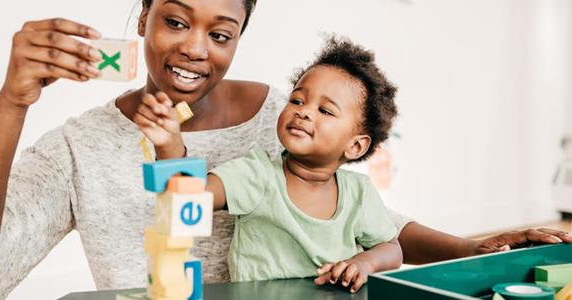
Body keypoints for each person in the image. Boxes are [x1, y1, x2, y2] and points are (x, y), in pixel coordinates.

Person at [0, 0, 570, 298]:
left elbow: (370, 224)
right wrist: (13, 99)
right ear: (143, 19)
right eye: (175, 21)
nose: (195, 50)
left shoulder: (285, 124)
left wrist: (477, 250)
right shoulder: (81, 145)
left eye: (221, 33)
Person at [135, 37, 403, 293]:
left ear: (355, 146)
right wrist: (168, 142)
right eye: (297, 100)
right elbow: (189, 196)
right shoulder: (257, 174)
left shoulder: (359, 192)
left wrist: (364, 263)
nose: (304, 111)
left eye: (325, 111)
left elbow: (392, 248)